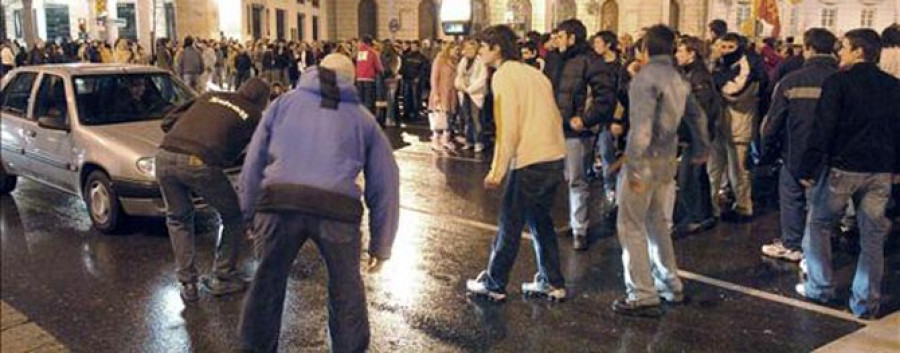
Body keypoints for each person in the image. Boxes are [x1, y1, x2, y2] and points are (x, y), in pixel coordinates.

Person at [238, 54, 399, 353]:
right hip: (337, 209)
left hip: (279, 202)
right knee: (346, 289)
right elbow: (385, 183)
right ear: (350, 81)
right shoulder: (362, 118)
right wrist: (381, 244)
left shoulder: (282, 104)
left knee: (267, 283)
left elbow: (254, 160)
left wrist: (249, 214)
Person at [796, 29, 900, 320]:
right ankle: (865, 301)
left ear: (858, 51)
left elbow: (824, 128)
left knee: (818, 224)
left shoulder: (839, 82)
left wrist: (809, 167)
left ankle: (819, 286)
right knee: (872, 235)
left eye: (844, 47)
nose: (839, 51)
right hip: (879, 169)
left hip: (844, 167)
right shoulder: (893, 86)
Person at [465, 25, 569, 302]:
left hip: (530, 158)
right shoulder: (535, 73)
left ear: (497, 48)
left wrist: (497, 170)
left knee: (510, 221)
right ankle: (552, 280)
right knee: (540, 220)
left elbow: (507, 125)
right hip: (554, 154)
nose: (480, 53)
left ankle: (495, 282)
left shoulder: (503, 77)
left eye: (483, 48)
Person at [612, 25, 709, 318]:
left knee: (631, 226)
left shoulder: (645, 78)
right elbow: (697, 115)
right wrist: (702, 148)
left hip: (644, 162)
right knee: (656, 222)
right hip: (668, 159)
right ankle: (670, 283)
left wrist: (630, 161)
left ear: (646, 49)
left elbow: (641, 129)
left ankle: (642, 293)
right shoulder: (677, 77)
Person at [156, 77, 271, 303]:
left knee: (178, 218)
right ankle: (223, 276)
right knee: (234, 216)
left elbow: (168, 120)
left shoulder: (210, 96)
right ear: (263, 101)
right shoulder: (254, 115)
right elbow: (257, 154)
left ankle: (188, 284)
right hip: (198, 162)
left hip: (164, 154)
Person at [758, 28, 838, 263]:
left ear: (808, 49)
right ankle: (816, 249)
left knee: (792, 198)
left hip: (796, 151)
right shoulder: (842, 79)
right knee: (821, 204)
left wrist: (767, 153)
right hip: (832, 154)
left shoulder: (791, 81)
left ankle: (793, 244)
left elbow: (772, 123)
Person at [548, 19, 598, 251]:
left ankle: (580, 229)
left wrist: (586, 120)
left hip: (577, 132)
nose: (555, 40)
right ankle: (573, 220)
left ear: (572, 38)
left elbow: (604, 95)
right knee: (566, 178)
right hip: (557, 128)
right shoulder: (557, 59)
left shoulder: (589, 61)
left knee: (577, 179)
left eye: (560, 36)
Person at [673, 36, 721, 235]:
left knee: (688, 178)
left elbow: (701, 109)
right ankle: (704, 214)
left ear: (692, 54)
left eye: (681, 51)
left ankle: (696, 217)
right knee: (697, 176)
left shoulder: (698, 77)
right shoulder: (690, 73)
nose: (677, 55)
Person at [709, 32, 757, 221]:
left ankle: (744, 206)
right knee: (713, 170)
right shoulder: (719, 66)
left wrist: (714, 85)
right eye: (723, 47)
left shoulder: (747, 66)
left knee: (738, 170)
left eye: (731, 47)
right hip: (718, 124)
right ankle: (711, 206)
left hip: (738, 125)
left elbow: (734, 91)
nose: (726, 51)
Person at [455, 39, 489, 153]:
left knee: (476, 119)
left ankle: (479, 141)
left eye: (471, 48)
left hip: (475, 93)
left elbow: (482, 78)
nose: (468, 51)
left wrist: (470, 89)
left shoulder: (481, 61)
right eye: (467, 48)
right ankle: (469, 140)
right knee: (467, 118)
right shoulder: (463, 61)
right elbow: (459, 75)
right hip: (464, 93)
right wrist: (461, 86)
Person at [428, 43, 459, 151]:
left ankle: (446, 139)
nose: (457, 52)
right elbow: (434, 78)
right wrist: (436, 94)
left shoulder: (455, 61)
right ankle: (435, 140)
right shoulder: (439, 60)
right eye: (455, 50)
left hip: (452, 93)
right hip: (441, 93)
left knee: (449, 117)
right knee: (439, 117)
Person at [401, 41, 428, 121]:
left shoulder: (422, 58)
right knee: (406, 97)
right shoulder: (406, 56)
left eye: (414, 46)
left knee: (415, 97)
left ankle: (416, 113)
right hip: (407, 79)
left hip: (415, 80)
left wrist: (419, 77)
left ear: (418, 47)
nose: (412, 48)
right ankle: (407, 112)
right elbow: (403, 67)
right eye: (412, 46)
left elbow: (423, 69)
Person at [356, 36, 383, 115]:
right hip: (369, 78)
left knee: (361, 99)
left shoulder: (359, 52)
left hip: (359, 78)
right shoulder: (372, 52)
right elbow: (378, 66)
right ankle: (368, 117)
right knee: (369, 99)